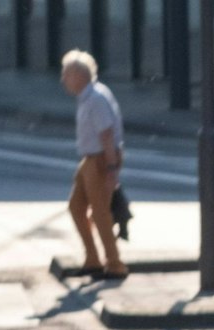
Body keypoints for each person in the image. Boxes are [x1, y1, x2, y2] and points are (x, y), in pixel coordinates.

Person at [60, 50, 125, 280]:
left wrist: (111, 169)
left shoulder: (96, 98)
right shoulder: (88, 96)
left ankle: (114, 264)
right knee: (76, 207)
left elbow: (107, 134)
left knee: (100, 213)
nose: (63, 79)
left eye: (66, 74)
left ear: (79, 75)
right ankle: (93, 259)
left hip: (100, 160)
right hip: (89, 158)